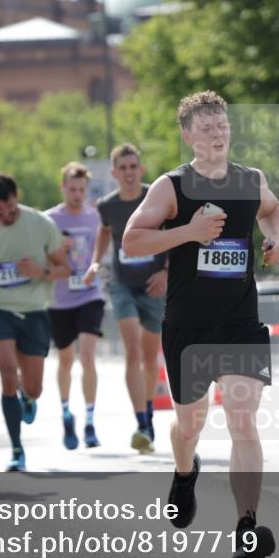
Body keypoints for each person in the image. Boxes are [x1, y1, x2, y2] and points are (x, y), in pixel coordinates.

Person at [123, 90, 279, 558]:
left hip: (239, 321)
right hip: (188, 326)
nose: (217, 133)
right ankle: (184, 470)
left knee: (242, 420)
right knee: (191, 423)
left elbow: (272, 210)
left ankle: (246, 527)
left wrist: (274, 239)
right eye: (207, 127)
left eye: (223, 125)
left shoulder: (251, 180)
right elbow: (132, 240)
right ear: (188, 135)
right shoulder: (171, 187)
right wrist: (189, 233)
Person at [0, 173, 69, 471]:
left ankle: (28, 398)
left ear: (17, 197)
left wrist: (40, 271)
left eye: (10, 207)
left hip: (34, 311)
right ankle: (16, 449)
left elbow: (65, 269)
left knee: (34, 387)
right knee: (7, 373)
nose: (6, 214)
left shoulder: (41, 224)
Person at [84, 144, 167, 454]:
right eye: (123, 168)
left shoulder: (156, 197)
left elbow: (174, 235)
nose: (129, 172)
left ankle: (149, 415)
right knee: (132, 349)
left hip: (153, 285)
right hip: (122, 284)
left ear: (140, 169)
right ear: (114, 173)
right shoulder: (108, 205)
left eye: (134, 166)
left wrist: (166, 271)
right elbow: (104, 232)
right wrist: (95, 262)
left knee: (149, 357)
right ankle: (141, 423)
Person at [46, 163, 105, 450]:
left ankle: (90, 422)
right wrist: (58, 251)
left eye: (82, 189)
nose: (77, 194)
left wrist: (96, 265)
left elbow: (102, 249)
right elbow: (40, 257)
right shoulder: (49, 219)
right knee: (66, 359)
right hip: (60, 299)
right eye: (72, 189)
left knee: (88, 355)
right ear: (63, 188)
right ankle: (66, 413)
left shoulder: (96, 217)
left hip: (90, 294)